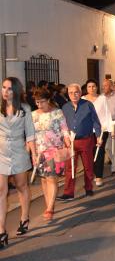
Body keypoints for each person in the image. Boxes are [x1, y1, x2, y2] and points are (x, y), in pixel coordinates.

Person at [0, 77, 37, 246]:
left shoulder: (25, 109)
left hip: (19, 151)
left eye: (9, 88)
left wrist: (34, 154)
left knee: (22, 187)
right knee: (1, 191)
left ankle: (24, 218)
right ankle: (1, 230)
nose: (5, 91)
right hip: (1, 152)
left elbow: (29, 133)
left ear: (16, 90)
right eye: (3, 88)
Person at [31, 88, 70, 221]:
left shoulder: (57, 113)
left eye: (42, 102)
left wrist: (68, 141)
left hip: (54, 150)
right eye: (37, 102)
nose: (39, 105)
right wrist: (32, 151)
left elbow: (65, 129)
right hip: (39, 151)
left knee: (52, 178)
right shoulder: (33, 115)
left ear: (48, 100)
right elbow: (31, 135)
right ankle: (49, 205)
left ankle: (50, 208)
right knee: (43, 179)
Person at [59, 83, 101, 201]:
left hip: (86, 140)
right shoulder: (65, 107)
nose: (74, 95)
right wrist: (65, 137)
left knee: (88, 166)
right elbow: (62, 125)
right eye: (71, 93)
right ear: (68, 94)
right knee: (69, 168)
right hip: (70, 142)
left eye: (76, 92)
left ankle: (88, 188)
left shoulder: (88, 105)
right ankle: (68, 193)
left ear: (80, 93)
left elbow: (96, 121)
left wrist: (98, 136)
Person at [83, 79, 110, 187]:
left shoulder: (102, 98)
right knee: (90, 153)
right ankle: (93, 173)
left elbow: (108, 113)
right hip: (87, 130)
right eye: (89, 86)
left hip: (101, 130)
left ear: (97, 87)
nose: (91, 88)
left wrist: (109, 129)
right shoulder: (83, 99)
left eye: (93, 86)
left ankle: (99, 176)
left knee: (99, 152)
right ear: (86, 88)